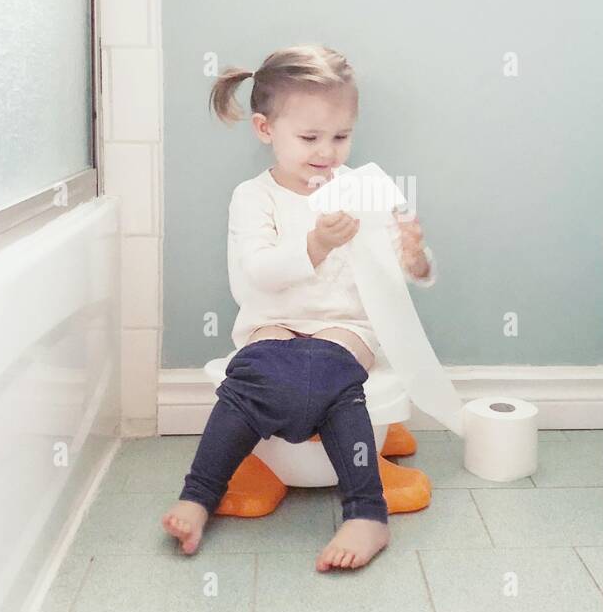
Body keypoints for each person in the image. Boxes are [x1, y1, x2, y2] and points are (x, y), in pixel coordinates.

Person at [161, 44, 437, 570]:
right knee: (245, 385)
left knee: (329, 379)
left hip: (343, 330)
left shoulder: (363, 189)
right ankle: (198, 496)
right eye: (309, 137)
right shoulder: (253, 197)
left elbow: (411, 279)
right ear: (266, 130)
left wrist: (415, 255)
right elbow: (258, 274)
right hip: (272, 324)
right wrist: (317, 244)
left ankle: (366, 514)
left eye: (341, 136)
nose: (327, 151)